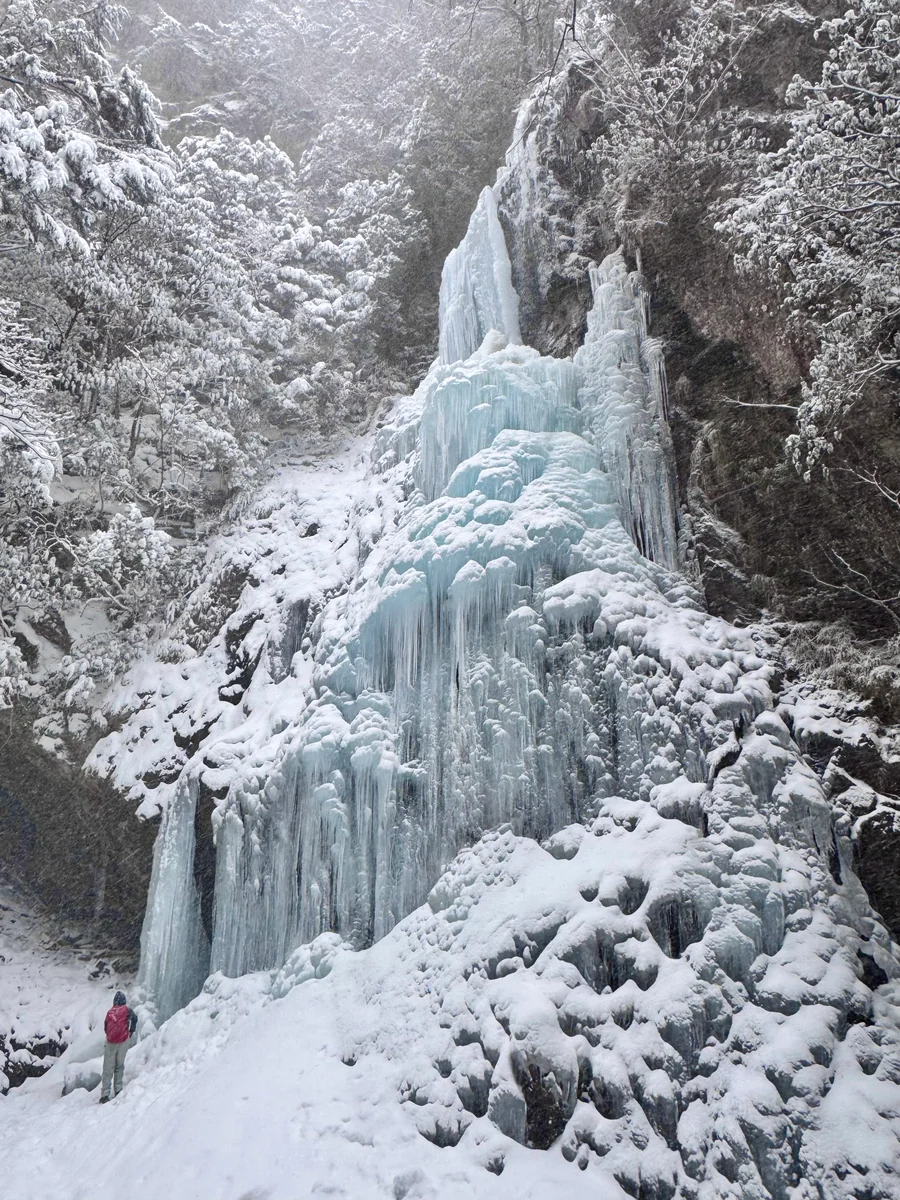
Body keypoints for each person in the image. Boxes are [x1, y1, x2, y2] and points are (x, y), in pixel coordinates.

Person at [99, 990, 138, 1103]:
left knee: (108, 1068)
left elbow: (106, 1027)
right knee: (119, 1066)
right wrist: (131, 1031)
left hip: (111, 1043)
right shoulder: (127, 1010)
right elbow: (135, 1018)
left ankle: (105, 1094)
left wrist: (110, 1035)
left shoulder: (110, 1012)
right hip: (123, 1041)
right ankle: (118, 1089)